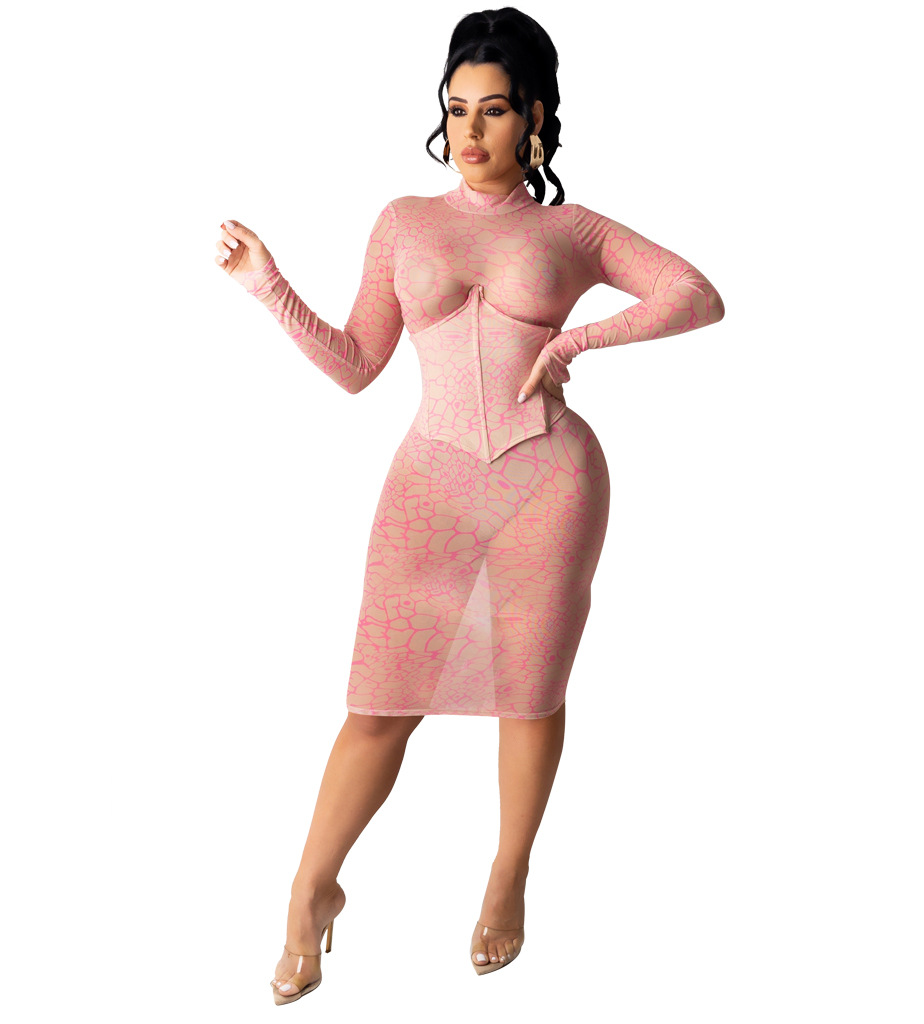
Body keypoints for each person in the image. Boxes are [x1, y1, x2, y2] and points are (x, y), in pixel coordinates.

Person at [214, 6, 724, 1003]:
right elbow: (356, 364)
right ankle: (310, 893)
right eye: (456, 109)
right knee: (377, 705)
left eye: (494, 109)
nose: (471, 130)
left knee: (528, 696)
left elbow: (694, 293)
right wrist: (266, 285)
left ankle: (506, 876)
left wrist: (576, 341)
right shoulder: (404, 220)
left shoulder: (570, 230)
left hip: (549, 481)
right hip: (429, 487)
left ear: (534, 116)